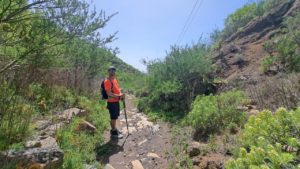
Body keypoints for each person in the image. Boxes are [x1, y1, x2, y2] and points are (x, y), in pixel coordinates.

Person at [104, 66, 125, 139]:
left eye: (113, 70)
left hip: (116, 101)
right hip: (112, 102)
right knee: (113, 117)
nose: (112, 71)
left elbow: (117, 88)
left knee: (115, 117)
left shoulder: (114, 79)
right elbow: (109, 93)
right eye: (110, 70)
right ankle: (113, 132)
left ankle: (114, 129)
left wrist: (120, 92)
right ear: (108, 71)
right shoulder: (107, 81)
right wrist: (119, 96)